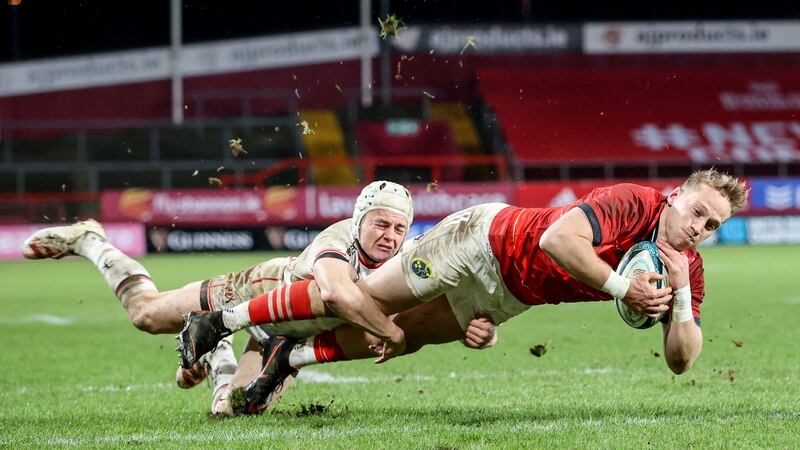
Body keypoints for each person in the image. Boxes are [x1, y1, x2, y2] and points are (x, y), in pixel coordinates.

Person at [182, 169, 748, 411]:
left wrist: (677, 296)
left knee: (403, 339)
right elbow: (557, 240)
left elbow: (680, 361)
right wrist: (625, 287)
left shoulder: (688, 267)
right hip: (480, 241)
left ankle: (292, 356)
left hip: (508, 297)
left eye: (711, 225)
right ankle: (225, 321)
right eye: (698, 211)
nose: (699, 228)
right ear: (675, 195)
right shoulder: (634, 202)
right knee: (365, 300)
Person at [22, 180, 497, 415]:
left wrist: (474, 326)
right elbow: (334, 293)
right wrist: (391, 332)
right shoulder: (338, 240)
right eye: (381, 223)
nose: (391, 236)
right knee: (146, 316)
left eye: (399, 227)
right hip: (257, 290)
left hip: (281, 339)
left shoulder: (411, 256)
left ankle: (217, 355)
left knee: (231, 411)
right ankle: (89, 239)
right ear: (358, 220)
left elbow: (448, 298)